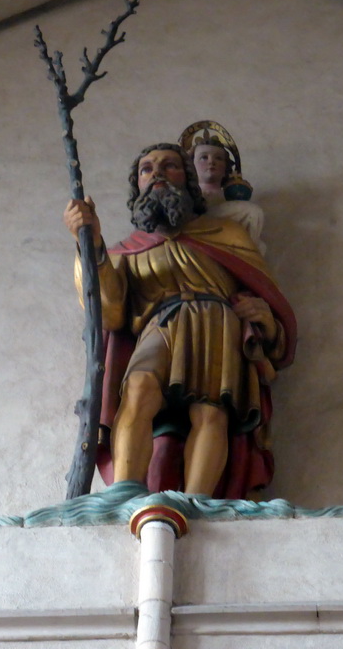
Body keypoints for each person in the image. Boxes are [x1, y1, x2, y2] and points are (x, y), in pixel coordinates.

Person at [63, 143, 296, 498]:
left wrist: (265, 318)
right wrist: (91, 244)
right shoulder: (127, 250)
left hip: (216, 323)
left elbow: (267, 301)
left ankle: (198, 501)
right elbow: (108, 312)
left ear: (187, 181)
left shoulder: (226, 235)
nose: (156, 173)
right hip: (158, 326)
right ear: (138, 186)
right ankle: (125, 492)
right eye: (146, 169)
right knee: (137, 390)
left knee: (211, 409)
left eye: (169, 166)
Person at [180, 121, 267, 255]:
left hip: (227, 242)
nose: (211, 162)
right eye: (204, 157)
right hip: (193, 235)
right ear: (191, 165)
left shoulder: (230, 201)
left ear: (226, 167)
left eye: (219, 158)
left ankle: (248, 256)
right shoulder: (185, 194)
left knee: (253, 213)